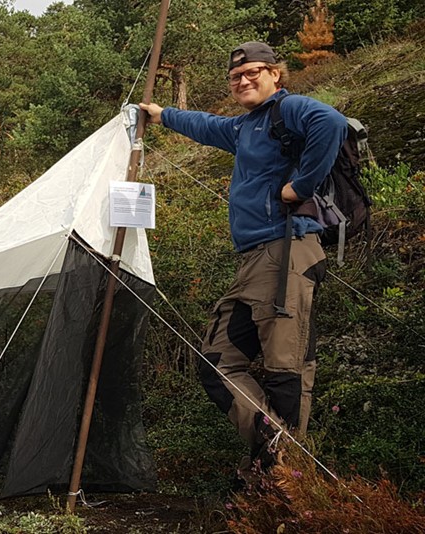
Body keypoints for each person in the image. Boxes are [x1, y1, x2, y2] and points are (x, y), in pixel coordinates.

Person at [140, 42, 347, 484]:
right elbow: (205, 124)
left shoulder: (286, 110)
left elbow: (330, 122)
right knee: (215, 361)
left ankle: (284, 476)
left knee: (285, 368)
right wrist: (160, 114)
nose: (243, 81)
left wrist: (301, 185)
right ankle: (275, 457)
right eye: (236, 76)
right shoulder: (245, 128)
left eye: (254, 72)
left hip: (287, 251)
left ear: (275, 74)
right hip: (255, 260)